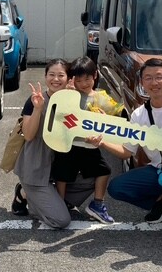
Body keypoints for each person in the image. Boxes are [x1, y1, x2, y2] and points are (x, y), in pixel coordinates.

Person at [87, 58, 162, 239]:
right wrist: (102, 142)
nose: (154, 83)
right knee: (117, 188)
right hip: (160, 170)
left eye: (159, 77)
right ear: (142, 83)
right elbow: (127, 152)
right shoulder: (139, 115)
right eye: (148, 78)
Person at [11, 59, 84, 228]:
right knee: (61, 220)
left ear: (69, 79)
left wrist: (71, 102)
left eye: (61, 75)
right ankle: (26, 194)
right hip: (36, 170)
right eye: (51, 74)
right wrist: (38, 109)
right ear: (45, 77)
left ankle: (46, 199)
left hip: (60, 168)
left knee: (91, 180)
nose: (56, 79)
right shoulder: (35, 100)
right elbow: (29, 135)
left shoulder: (73, 100)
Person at [52, 57, 120, 224]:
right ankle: (60, 204)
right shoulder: (70, 95)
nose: (83, 84)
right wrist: (67, 94)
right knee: (62, 175)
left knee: (104, 170)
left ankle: (98, 204)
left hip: (90, 146)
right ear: (72, 80)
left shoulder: (101, 97)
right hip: (70, 144)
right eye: (79, 80)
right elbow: (59, 116)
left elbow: (115, 116)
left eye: (87, 79)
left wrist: (106, 119)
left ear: (95, 75)